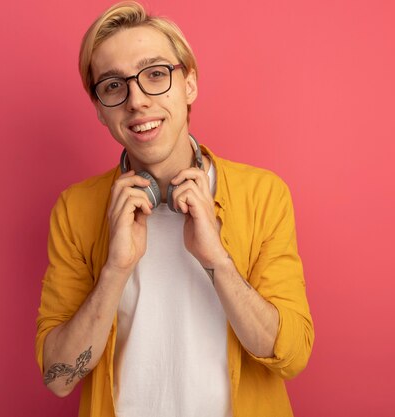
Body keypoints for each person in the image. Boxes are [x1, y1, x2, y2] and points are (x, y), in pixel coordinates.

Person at [35, 2, 314, 416]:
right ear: (99, 109)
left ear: (189, 85)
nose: (137, 101)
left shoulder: (263, 194)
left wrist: (217, 260)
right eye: (113, 85)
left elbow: (291, 356)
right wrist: (115, 269)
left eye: (155, 75)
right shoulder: (76, 210)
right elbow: (59, 377)